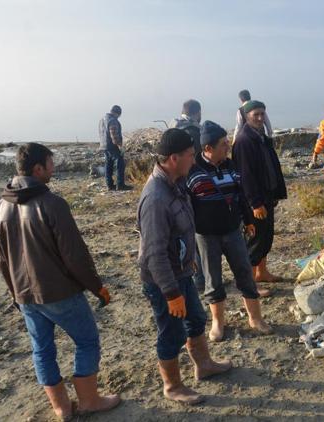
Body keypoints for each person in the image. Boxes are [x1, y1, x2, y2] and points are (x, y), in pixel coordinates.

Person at [0, 143, 120, 420]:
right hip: (59, 292)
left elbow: (2, 261)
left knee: (42, 349)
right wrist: (97, 287)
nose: (54, 168)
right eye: (50, 163)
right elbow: (74, 255)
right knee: (87, 341)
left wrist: (15, 293)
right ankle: (89, 401)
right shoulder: (52, 204)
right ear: (37, 169)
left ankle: (61, 409)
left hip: (25, 295)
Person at [137, 129, 232, 405]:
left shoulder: (176, 183)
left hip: (181, 271)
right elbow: (154, 253)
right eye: (191, 156)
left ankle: (204, 365)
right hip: (163, 280)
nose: (194, 160)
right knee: (171, 331)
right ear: (173, 158)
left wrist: (188, 258)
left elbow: (180, 230)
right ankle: (173, 386)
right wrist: (170, 292)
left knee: (195, 319)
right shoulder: (155, 198)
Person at [186, 121, 273, 342]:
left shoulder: (230, 165)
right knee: (213, 279)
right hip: (206, 235)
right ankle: (218, 323)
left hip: (233, 230)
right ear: (208, 148)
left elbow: (241, 193)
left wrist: (248, 220)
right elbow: (185, 207)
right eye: (223, 144)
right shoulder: (192, 171)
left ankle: (255, 318)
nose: (228, 147)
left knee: (244, 272)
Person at [231, 100, 287, 290]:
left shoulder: (261, 137)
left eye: (263, 114)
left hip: (266, 196)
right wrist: (255, 204)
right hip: (253, 201)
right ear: (247, 117)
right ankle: (249, 284)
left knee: (266, 237)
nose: (260, 118)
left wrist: (276, 192)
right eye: (256, 114)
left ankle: (261, 272)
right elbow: (245, 176)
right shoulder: (244, 141)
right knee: (255, 241)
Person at [171, 99, 206, 291]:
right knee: (195, 233)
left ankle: (195, 277)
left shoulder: (174, 129)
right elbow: (197, 162)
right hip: (191, 187)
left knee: (184, 233)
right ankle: (200, 278)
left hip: (176, 186)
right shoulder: (194, 132)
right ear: (197, 112)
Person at [98, 105, 131, 191]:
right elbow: (114, 135)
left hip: (104, 146)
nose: (119, 117)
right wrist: (120, 146)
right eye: (119, 115)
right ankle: (120, 185)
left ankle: (109, 185)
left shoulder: (102, 120)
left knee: (108, 165)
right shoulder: (112, 120)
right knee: (120, 164)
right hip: (112, 146)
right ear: (117, 113)